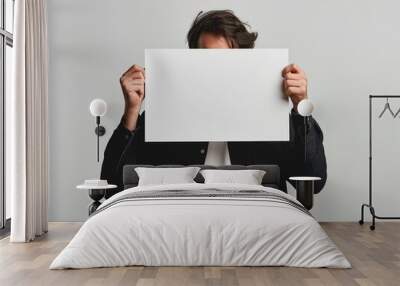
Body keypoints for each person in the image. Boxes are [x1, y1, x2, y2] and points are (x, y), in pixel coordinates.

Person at [101, 10, 327, 197]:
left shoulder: (272, 119)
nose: (218, 68)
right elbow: (112, 185)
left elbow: (314, 183)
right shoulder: (163, 117)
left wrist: (301, 108)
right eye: (207, 58)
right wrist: (131, 111)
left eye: (228, 59)